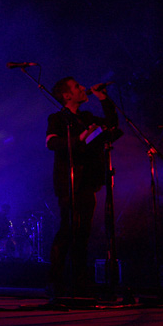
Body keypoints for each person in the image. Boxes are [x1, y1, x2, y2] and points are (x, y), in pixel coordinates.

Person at [46, 77, 118, 298]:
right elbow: (51, 143)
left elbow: (112, 124)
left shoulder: (86, 117)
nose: (82, 88)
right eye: (77, 86)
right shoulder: (58, 118)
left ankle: (79, 282)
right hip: (68, 183)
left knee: (83, 233)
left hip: (88, 182)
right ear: (67, 95)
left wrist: (103, 98)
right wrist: (81, 138)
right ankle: (55, 282)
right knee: (68, 229)